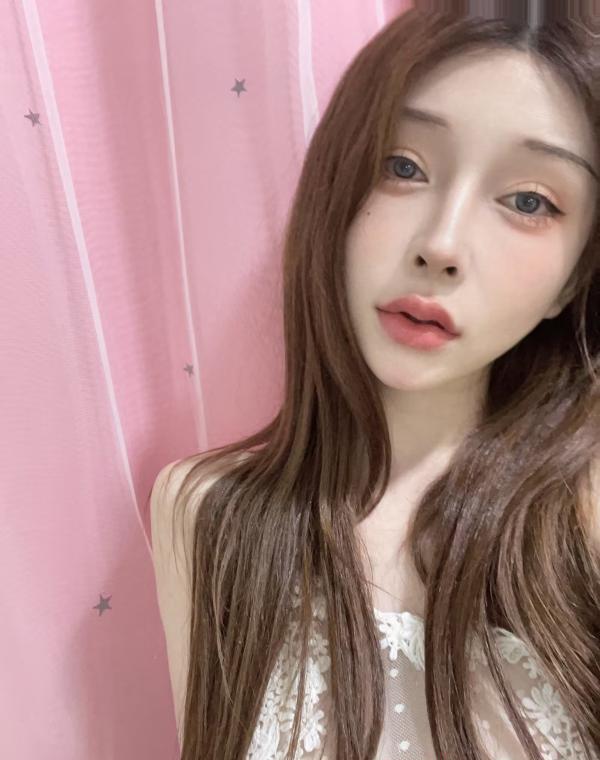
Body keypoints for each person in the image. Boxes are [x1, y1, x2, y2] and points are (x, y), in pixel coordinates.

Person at [149, 5, 600, 759]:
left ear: (574, 279)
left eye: (529, 201)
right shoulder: (206, 511)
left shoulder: (582, 514)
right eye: (403, 166)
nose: (442, 244)